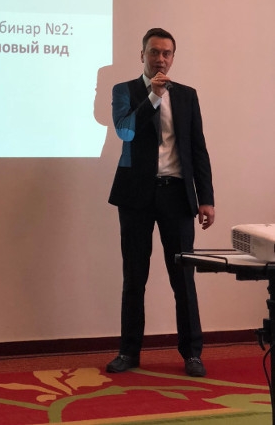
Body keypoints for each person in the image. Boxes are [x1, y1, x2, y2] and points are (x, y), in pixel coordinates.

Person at [106, 28, 215, 378]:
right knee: (134, 277)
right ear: (142, 55)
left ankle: (192, 353)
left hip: (176, 195)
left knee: (183, 279)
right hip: (135, 197)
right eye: (154, 52)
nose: (160, 59)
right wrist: (153, 96)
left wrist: (206, 199)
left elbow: (197, 148)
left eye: (167, 53)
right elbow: (125, 130)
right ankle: (128, 351)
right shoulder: (124, 91)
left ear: (173, 58)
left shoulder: (187, 96)